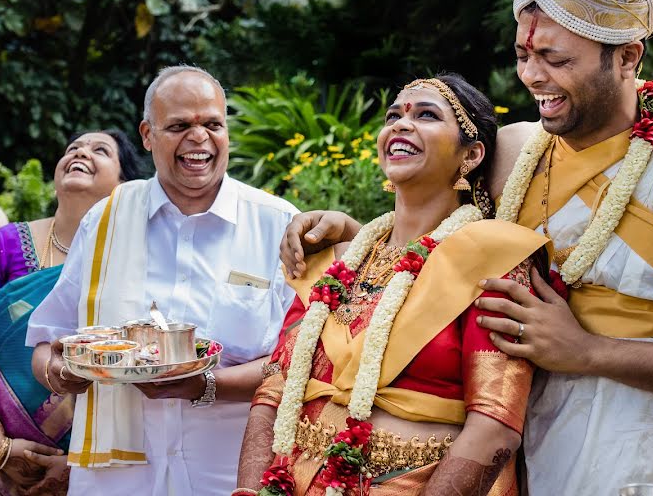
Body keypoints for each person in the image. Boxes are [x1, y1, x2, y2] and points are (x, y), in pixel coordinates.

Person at [279, 0, 653, 495]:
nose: (531, 76)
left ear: (627, 56)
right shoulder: (512, 151)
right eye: (524, 53)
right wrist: (354, 235)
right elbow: (444, 260)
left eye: (555, 58)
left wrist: (589, 352)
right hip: (533, 441)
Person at [235, 74, 560, 496]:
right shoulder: (336, 263)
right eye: (394, 115)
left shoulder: (495, 260)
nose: (401, 124)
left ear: (472, 154)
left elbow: (495, 426)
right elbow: (272, 393)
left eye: (426, 115)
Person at [26, 66, 299, 495]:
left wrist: (206, 385)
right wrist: (61, 372)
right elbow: (47, 341)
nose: (200, 138)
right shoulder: (105, 221)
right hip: (117, 478)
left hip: (229, 472)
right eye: (179, 126)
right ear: (148, 135)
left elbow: (301, 358)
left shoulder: (276, 223)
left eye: (213, 124)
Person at [0, 129, 144, 496]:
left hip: (94, 460)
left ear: (125, 185)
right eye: (73, 148)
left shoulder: (136, 259)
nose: (81, 153)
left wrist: (75, 466)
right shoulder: (9, 245)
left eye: (100, 150)